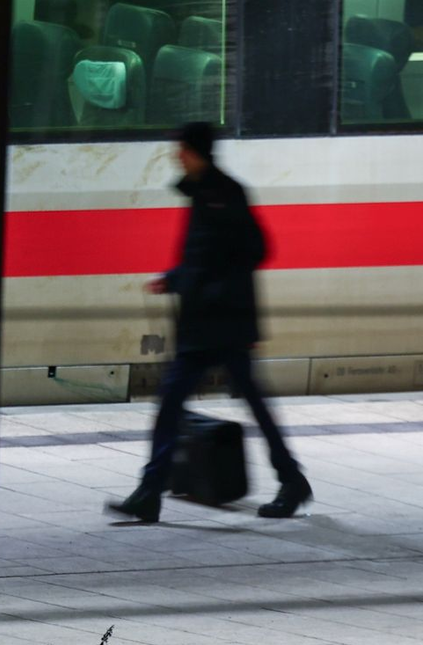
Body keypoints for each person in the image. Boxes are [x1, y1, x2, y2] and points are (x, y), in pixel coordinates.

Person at [107, 122, 312, 522]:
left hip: (224, 325)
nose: (174, 155)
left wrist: (210, 290)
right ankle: (150, 491)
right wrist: (175, 278)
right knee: (177, 404)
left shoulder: (226, 193)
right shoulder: (202, 193)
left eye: (180, 148)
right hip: (204, 325)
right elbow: (202, 257)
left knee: (242, 403)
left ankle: (292, 481)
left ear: (194, 151)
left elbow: (255, 250)